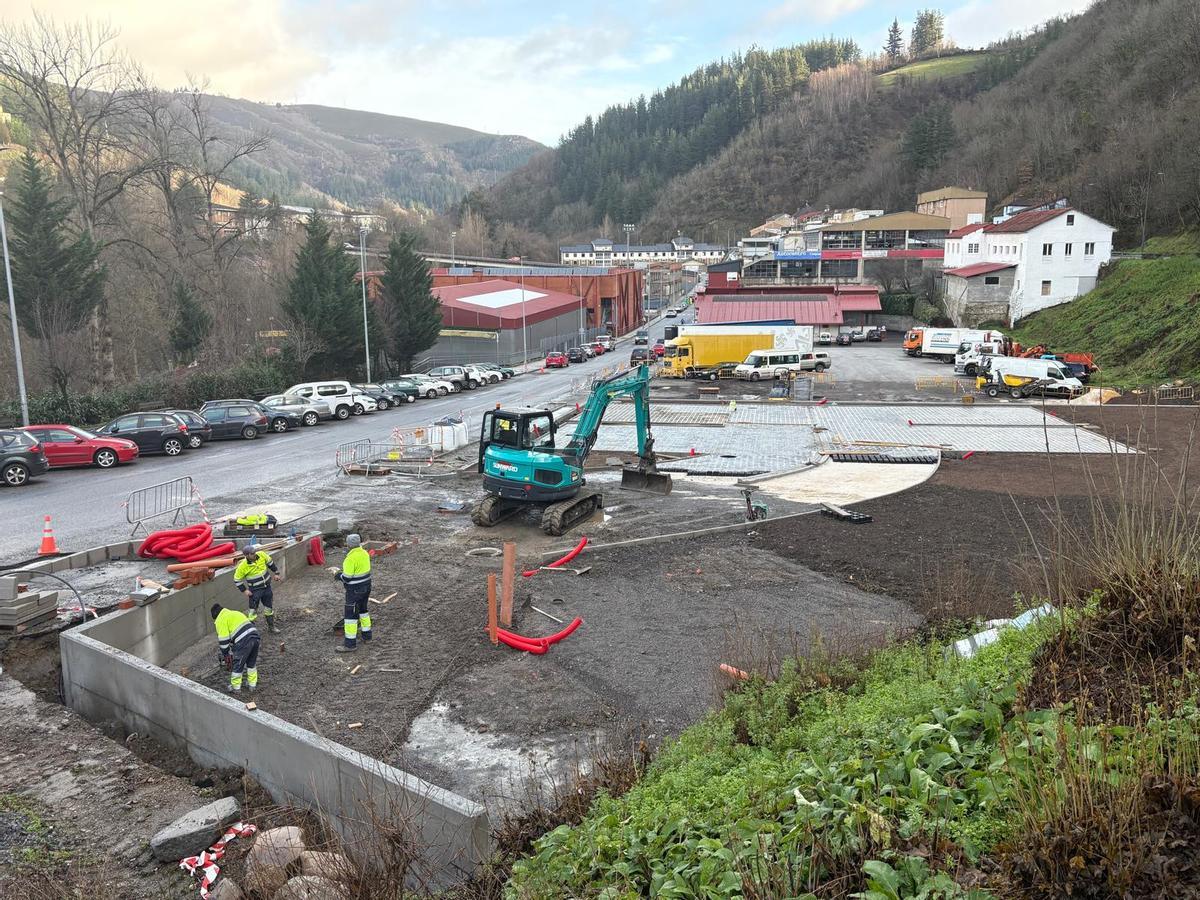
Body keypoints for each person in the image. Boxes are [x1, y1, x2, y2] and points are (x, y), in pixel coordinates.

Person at [334, 533, 372, 653]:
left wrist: (338, 575)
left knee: (350, 616)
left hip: (354, 590)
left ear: (348, 545)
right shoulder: (364, 553)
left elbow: (347, 578)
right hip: (366, 587)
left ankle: (350, 645)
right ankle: (367, 637)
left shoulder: (349, 558)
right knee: (363, 611)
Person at [210, 603, 260, 693]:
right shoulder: (234, 613)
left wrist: (225, 654)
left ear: (215, 616)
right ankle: (252, 684)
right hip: (255, 636)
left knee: (238, 664)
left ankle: (236, 687)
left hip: (243, 640)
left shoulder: (220, 620)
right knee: (251, 662)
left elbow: (223, 640)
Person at [234, 544, 282, 633]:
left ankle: (271, 627)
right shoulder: (243, 566)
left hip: (267, 588)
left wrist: (277, 573)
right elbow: (237, 579)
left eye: (254, 552)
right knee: (252, 612)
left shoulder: (261, 555)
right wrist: (244, 590)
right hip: (255, 591)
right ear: (247, 555)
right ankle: (251, 632)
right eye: (252, 554)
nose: (255, 554)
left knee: (269, 608)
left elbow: (270, 563)